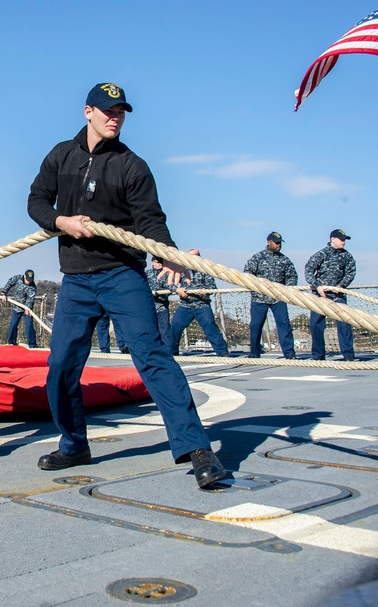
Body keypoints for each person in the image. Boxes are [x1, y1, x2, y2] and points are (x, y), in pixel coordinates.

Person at [27, 82, 225, 489]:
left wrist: (165, 252)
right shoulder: (60, 155)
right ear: (88, 112)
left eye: (120, 112)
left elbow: (151, 219)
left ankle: (197, 448)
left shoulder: (132, 165)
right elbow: (36, 200)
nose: (114, 117)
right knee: (61, 365)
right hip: (77, 280)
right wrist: (61, 221)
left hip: (121, 274)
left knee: (152, 355)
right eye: (107, 111)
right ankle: (74, 444)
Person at [244, 232, 297, 359]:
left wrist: (286, 290)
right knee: (255, 325)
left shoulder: (284, 260)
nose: (278, 245)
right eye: (276, 242)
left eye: (280, 243)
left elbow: (292, 276)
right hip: (259, 298)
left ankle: (289, 352)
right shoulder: (258, 257)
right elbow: (247, 273)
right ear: (269, 242)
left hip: (278, 298)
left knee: (284, 324)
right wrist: (256, 288)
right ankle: (254, 352)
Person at [305, 229, 357, 361]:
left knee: (344, 323)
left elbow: (350, 272)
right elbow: (309, 270)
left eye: (345, 240)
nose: (344, 242)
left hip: (338, 296)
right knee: (316, 325)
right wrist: (317, 287)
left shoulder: (347, 256)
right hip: (320, 296)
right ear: (333, 239)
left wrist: (341, 286)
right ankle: (318, 355)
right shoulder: (321, 254)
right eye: (341, 239)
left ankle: (348, 354)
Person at [169, 249, 230, 357]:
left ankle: (222, 352)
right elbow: (169, 284)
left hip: (202, 305)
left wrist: (205, 291)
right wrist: (177, 290)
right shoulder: (181, 269)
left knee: (210, 327)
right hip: (186, 305)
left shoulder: (205, 270)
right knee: (175, 327)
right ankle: (172, 352)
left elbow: (212, 287)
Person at [146, 256, 175, 352]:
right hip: (149, 307)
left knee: (165, 330)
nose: (158, 264)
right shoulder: (147, 273)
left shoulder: (167, 274)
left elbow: (170, 286)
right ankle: (151, 350)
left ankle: (168, 352)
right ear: (153, 262)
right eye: (156, 261)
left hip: (162, 307)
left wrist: (161, 292)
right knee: (149, 330)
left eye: (160, 262)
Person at [2, 269, 38, 348]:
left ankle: (32, 345)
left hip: (27, 308)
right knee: (13, 324)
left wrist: (28, 308)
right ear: (24, 276)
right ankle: (11, 342)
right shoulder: (17, 278)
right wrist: (4, 293)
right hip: (17, 307)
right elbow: (9, 283)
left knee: (29, 325)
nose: (29, 282)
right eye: (27, 280)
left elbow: (30, 299)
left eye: (30, 280)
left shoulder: (33, 287)